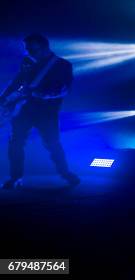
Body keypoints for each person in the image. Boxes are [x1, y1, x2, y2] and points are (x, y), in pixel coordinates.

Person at [0, 34, 80, 189]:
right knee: (15, 143)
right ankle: (15, 177)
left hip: (47, 112)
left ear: (44, 47)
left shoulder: (63, 65)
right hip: (26, 109)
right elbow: (17, 81)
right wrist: (3, 98)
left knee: (52, 144)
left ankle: (65, 173)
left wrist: (41, 93)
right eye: (27, 49)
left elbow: (64, 89)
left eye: (32, 49)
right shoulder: (29, 63)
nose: (28, 52)